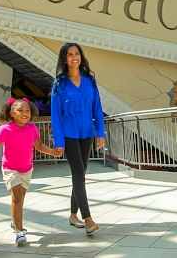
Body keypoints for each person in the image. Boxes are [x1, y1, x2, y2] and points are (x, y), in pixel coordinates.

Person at [0, 98, 64, 245]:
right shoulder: (5, 129)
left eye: (27, 110)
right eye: (20, 110)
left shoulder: (32, 129)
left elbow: (39, 145)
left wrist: (52, 152)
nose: (25, 113)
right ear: (12, 113)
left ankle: (14, 221)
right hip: (10, 169)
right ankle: (19, 231)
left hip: (27, 169)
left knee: (20, 199)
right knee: (17, 197)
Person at [51, 43, 105, 235]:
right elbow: (56, 115)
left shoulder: (90, 81)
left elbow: (97, 108)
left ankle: (73, 215)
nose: (74, 57)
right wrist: (58, 141)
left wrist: (101, 132)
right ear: (64, 59)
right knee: (78, 175)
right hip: (68, 135)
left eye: (76, 54)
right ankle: (88, 218)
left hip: (87, 133)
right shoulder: (59, 84)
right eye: (69, 54)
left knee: (80, 175)